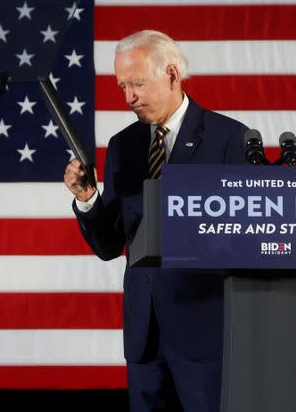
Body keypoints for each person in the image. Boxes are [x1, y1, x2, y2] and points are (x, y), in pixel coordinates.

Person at [63, 30, 248, 411]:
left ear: (172, 74)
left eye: (138, 83)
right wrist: (87, 200)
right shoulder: (123, 145)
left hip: (204, 330)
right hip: (145, 331)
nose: (129, 96)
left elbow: (245, 237)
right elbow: (110, 246)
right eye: (122, 86)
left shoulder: (229, 138)